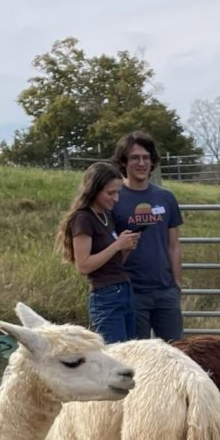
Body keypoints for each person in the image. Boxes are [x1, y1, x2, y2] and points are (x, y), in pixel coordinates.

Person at [111, 130, 184, 340]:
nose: (141, 163)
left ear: (153, 162)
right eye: (135, 158)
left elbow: (173, 244)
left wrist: (176, 283)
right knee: (139, 355)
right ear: (123, 162)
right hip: (131, 291)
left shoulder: (166, 197)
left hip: (166, 291)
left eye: (146, 157)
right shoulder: (114, 198)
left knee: (175, 352)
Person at [56, 161, 139, 343]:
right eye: (110, 193)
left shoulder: (106, 216)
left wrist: (126, 248)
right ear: (94, 190)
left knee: (131, 354)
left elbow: (112, 263)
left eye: (118, 192)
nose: (116, 198)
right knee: (116, 357)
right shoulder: (83, 219)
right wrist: (117, 245)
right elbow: (84, 265)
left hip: (123, 290)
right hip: (106, 296)